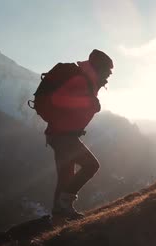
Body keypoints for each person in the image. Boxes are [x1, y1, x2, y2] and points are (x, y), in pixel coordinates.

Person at [45, 49, 113, 220]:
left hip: (59, 134)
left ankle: (59, 215)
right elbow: (58, 99)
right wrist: (88, 102)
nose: (110, 75)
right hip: (63, 135)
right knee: (91, 165)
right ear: (99, 68)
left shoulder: (88, 80)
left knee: (66, 175)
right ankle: (63, 206)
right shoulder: (81, 80)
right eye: (108, 70)